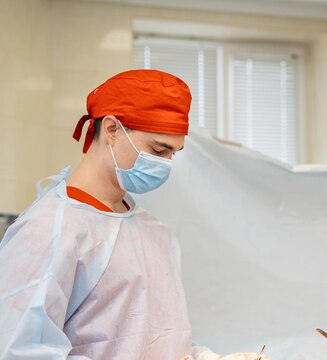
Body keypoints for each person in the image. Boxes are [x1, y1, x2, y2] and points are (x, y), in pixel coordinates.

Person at [0, 70, 266, 360]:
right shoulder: (48, 229)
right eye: (158, 150)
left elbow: (156, 340)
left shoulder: (154, 231)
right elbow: (20, 350)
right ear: (112, 129)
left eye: (173, 154)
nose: (165, 164)